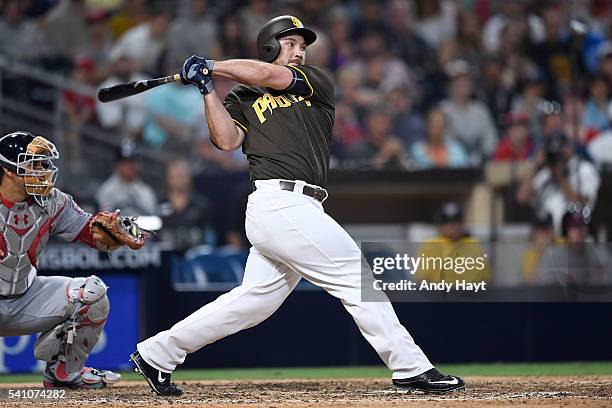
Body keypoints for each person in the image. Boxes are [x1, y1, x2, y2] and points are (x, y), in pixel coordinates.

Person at [130, 15, 464, 396]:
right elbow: (225, 140)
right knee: (357, 278)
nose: (300, 52)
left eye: (302, 46)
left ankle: (158, 353)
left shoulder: (315, 83)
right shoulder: (240, 97)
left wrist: (213, 65)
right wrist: (207, 88)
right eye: (290, 44)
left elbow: (266, 76)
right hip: (277, 203)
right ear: (271, 47)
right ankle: (411, 368)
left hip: (299, 207)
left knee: (253, 303)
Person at [0, 131, 122, 388]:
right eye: (33, 164)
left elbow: (94, 235)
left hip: (24, 297)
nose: (43, 170)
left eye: (43, 163)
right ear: (9, 170)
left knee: (93, 293)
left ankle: (65, 372)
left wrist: (114, 233)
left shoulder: (52, 201)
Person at [414, 202, 490, 284]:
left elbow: (485, 277)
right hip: (439, 294)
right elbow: (421, 278)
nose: (452, 226)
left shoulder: (473, 244)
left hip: (470, 294)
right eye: (447, 223)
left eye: (456, 222)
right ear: (440, 225)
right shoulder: (431, 245)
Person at [95, 139, 157, 217]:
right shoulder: (106, 191)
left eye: (133, 161)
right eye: (125, 162)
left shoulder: (147, 192)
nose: (130, 166)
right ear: (117, 164)